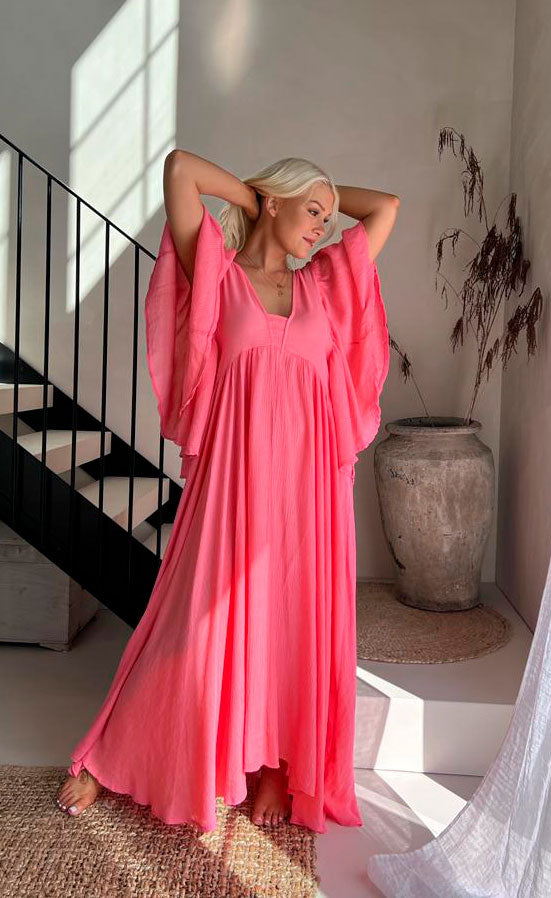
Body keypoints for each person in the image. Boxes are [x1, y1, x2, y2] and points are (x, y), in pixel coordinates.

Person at [55, 151, 399, 831]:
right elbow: (181, 169)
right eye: (312, 212)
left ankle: (274, 768)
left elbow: (385, 208)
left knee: (295, 622)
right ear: (273, 201)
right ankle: (110, 758)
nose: (322, 229)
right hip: (232, 480)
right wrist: (256, 197)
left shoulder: (324, 283)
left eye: (328, 219)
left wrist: (319, 196)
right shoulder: (216, 273)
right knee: (191, 622)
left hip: (310, 491)